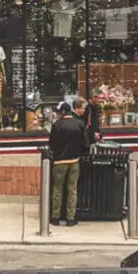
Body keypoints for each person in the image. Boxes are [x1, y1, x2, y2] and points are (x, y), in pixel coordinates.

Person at [47, 97, 90, 227]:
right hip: (74, 160)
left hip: (60, 161)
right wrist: (80, 153)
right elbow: (85, 143)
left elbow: (52, 144)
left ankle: (55, 217)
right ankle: (70, 218)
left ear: (63, 112)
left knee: (57, 189)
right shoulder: (79, 124)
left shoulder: (57, 125)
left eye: (60, 112)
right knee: (72, 189)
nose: (58, 114)